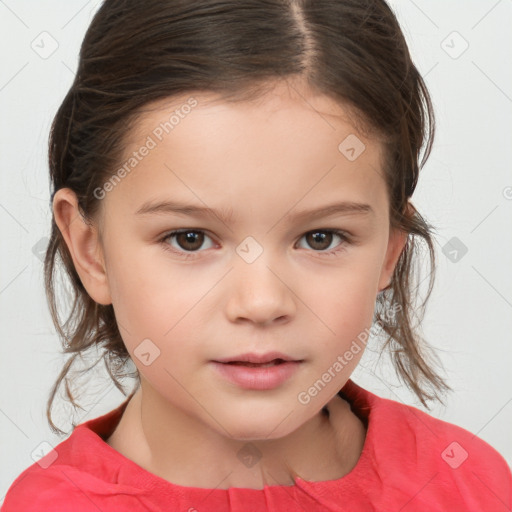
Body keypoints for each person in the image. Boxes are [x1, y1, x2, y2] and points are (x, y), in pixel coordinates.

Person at [2, 0, 511, 510]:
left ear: (388, 251)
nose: (262, 302)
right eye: (190, 239)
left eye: (321, 238)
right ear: (92, 252)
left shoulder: (469, 483)